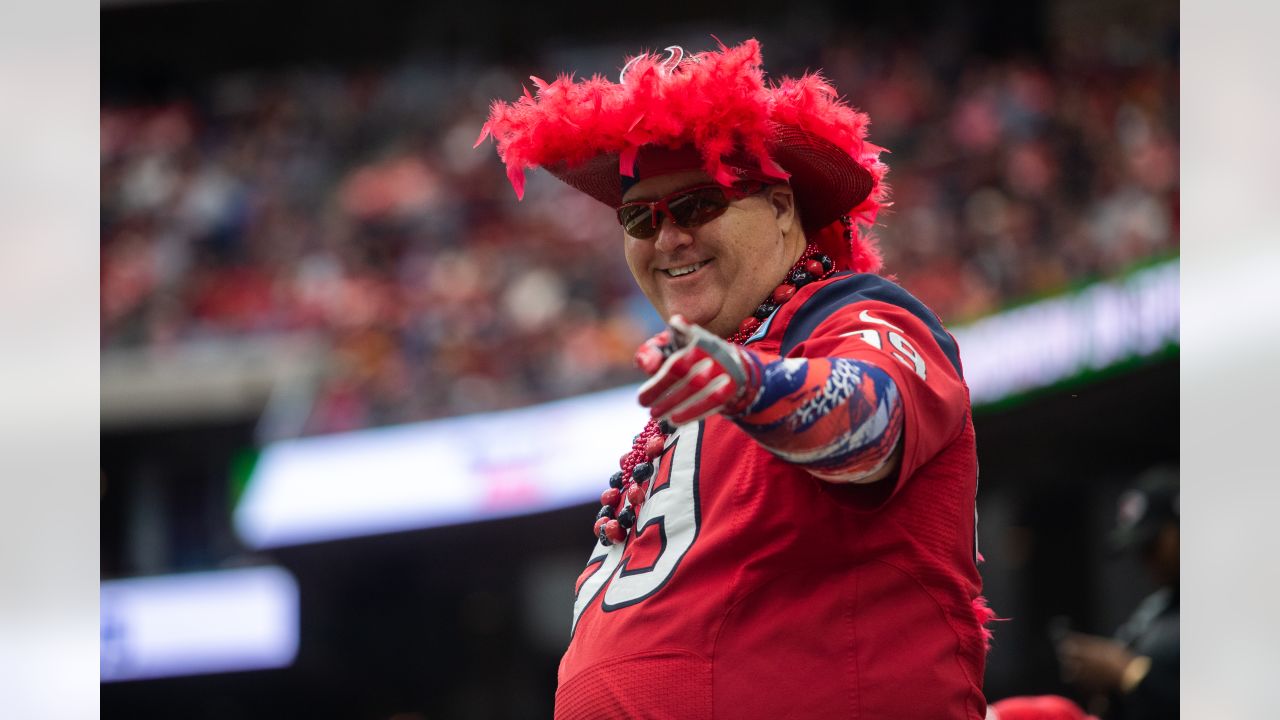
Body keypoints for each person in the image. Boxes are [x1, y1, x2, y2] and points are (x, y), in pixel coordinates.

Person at [480, 40, 992, 719]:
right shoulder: (703, 379)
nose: (666, 241)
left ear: (782, 208)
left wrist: (757, 386)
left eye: (696, 206)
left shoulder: (849, 316)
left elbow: (874, 421)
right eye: (640, 217)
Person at [1055, 467, 1179, 719]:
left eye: (1152, 545)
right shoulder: (1155, 611)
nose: (1146, 561)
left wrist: (1125, 672)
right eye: (1140, 550)